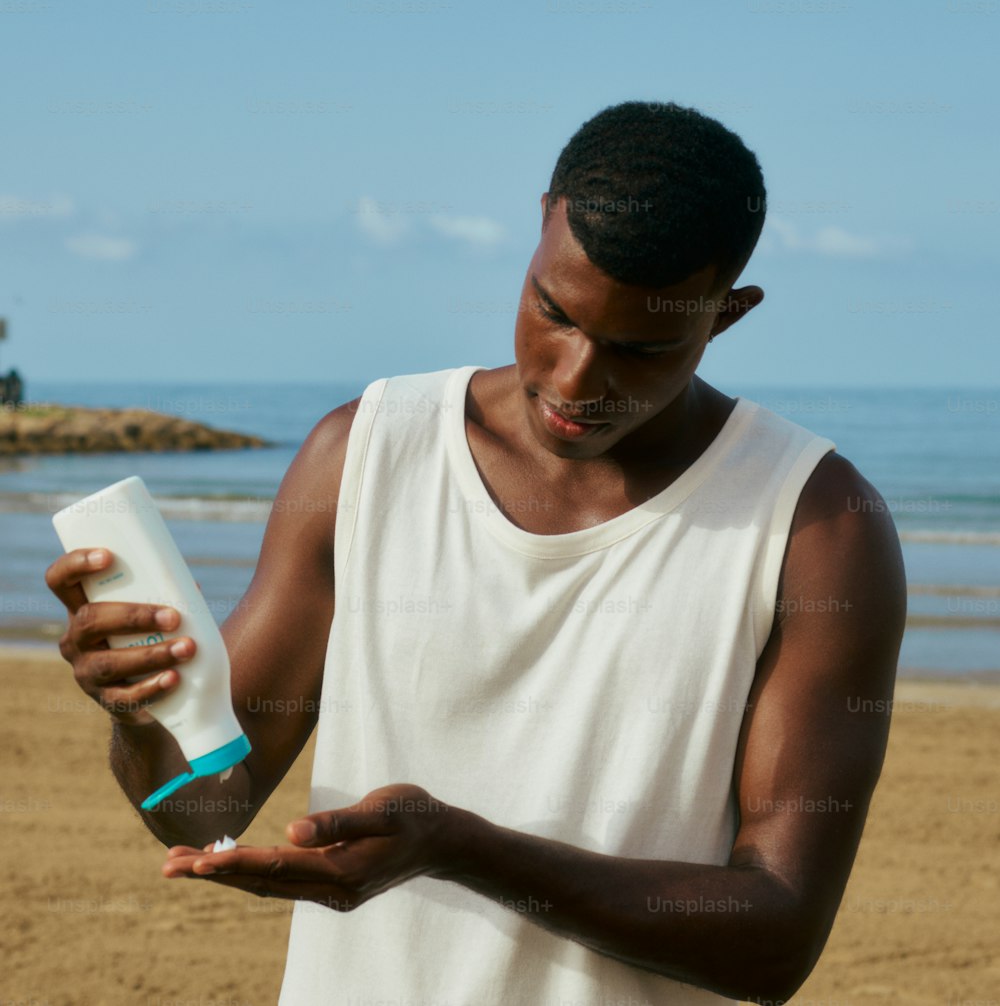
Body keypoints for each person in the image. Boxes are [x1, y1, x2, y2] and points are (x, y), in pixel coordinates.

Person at [46, 100, 907, 1004]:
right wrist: (138, 717)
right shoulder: (368, 452)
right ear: (541, 223)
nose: (575, 380)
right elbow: (203, 808)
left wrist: (462, 849)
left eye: (639, 350)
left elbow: (774, 938)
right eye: (554, 311)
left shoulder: (817, 526)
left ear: (726, 315)